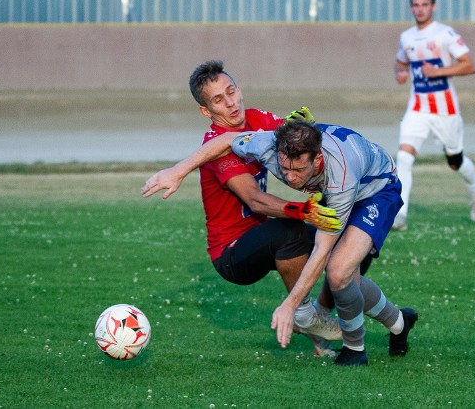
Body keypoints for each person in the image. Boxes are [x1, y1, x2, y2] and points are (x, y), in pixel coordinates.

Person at [143, 117, 419, 366]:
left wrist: (291, 305)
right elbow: (226, 140)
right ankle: (399, 322)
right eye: (284, 168)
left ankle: (355, 351)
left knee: (338, 271)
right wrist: (179, 170)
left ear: (317, 159)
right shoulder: (269, 144)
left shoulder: (340, 174)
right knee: (348, 279)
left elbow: (322, 248)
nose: (289, 177)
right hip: (340, 188)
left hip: (376, 190)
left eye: (298, 170)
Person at [142, 60, 342, 354]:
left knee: (344, 239)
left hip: (263, 236)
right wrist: (302, 210)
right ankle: (304, 314)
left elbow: (297, 143)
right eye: (218, 101)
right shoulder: (214, 148)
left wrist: (305, 128)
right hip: (232, 254)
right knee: (291, 231)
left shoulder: (257, 118)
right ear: (206, 112)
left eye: (231, 92)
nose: (231, 103)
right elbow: (254, 200)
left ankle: (316, 326)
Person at [392, 0, 475, 231]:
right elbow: (400, 62)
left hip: (445, 109)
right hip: (417, 107)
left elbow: (469, 66)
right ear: (411, 7)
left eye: (424, 5)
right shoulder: (407, 37)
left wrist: (439, 71)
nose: (419, 9)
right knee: (403, 156)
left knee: (454, 160)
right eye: (415, 5)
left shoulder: (445, 34)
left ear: (433, 7)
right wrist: (400, 73)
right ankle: (400, 215)